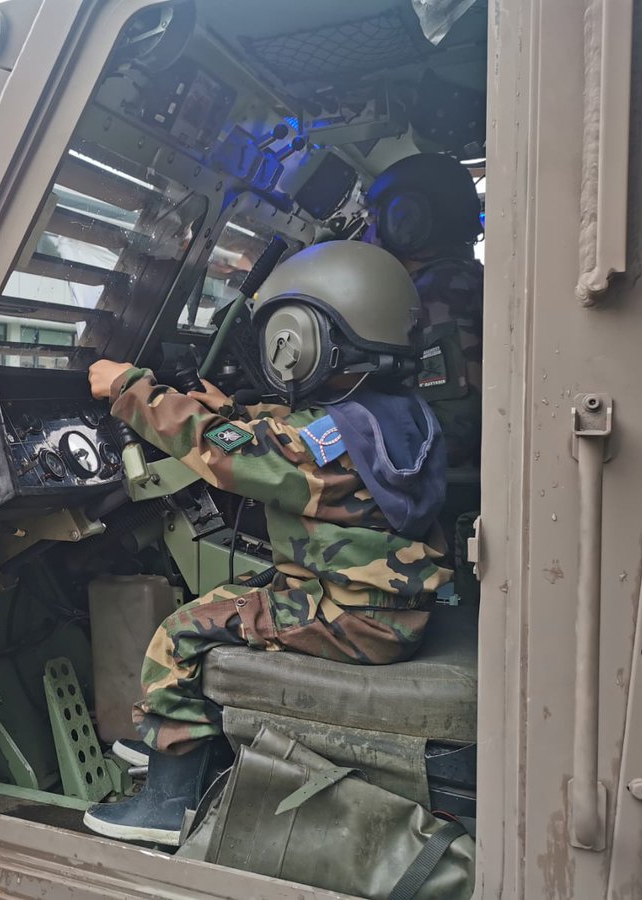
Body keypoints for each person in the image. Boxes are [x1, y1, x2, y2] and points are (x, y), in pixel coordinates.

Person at [81, 240, 453, 846]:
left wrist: (132, 389)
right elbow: (293, 436)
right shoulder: (394, 412)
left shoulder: (313, 445)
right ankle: (178, 737)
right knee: (234, 592)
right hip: (384, 599)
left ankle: (168, 805)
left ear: (301, 339)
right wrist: (235, 409)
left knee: (180, 633)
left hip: (351, 619)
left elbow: (234, 458)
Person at [363, 153, 484, 469]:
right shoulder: (466, 279)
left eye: (373, 220)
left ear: (407, 222)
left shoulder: (438, 293)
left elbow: (452, 428)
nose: (368, 234)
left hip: (444, 495)